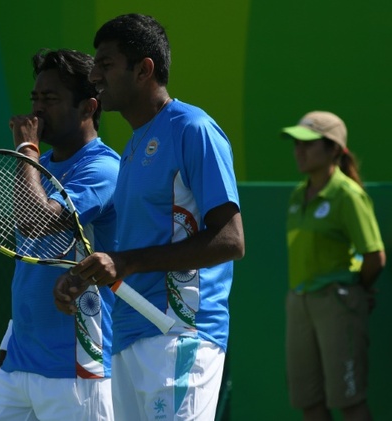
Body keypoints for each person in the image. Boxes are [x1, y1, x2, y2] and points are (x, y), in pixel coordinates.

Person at [53, 14, 245, 421]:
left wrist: (127, 262)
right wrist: (87, 274)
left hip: (179, 332)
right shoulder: (133, 148)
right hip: (129, 337)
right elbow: (129, 253)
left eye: (105, 64)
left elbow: (230, 240)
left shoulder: (193, 128)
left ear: (144, 70)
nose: (95, 76)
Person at [0, 48, 119, 421]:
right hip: (17, 368)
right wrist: (9, 347)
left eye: (51, 99)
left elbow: (34, 221)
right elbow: (31, 265)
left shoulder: (104, 169)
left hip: (77, 371)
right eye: (35, 98)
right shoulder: (37, 168)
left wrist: (26, 148)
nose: (37, 111)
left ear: (88, 108)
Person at [280, 110, 386, 421]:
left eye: (308, 144)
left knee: (349, 401)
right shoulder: (299, 194)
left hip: (337, 304)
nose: (299, 151)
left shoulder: (347, 195)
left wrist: (354, 290)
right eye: (296, 144)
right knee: (309, 401)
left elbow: (374, 255)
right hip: (298, 303)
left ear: (334, 150)